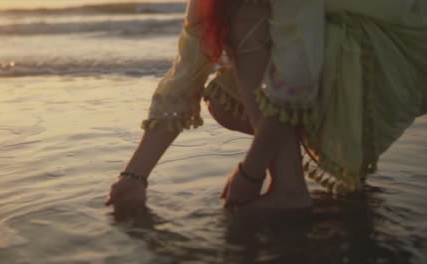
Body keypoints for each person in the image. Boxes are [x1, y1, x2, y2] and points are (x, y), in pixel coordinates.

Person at [105, 0, 427, 211]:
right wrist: (134, 177)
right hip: (324, 50)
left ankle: (288, 189)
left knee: (246, 15)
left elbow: (296, 77)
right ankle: (287, 182)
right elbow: (186, 73)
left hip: (394, 47)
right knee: (222, 98)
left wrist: (250, 172)